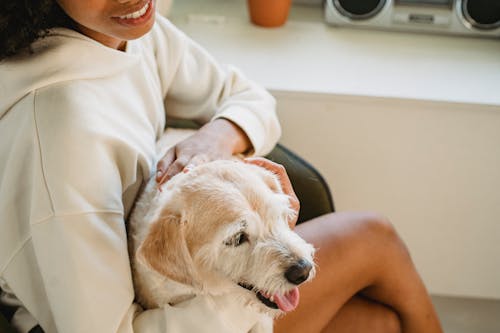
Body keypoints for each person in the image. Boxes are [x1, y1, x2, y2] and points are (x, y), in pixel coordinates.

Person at [0, 1, 443, 332]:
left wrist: (218, 138)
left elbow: (247, 96)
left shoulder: (127, 33)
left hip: (175, 288)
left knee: (379, 323)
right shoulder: (59, 132)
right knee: (372, 236)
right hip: (136, 317)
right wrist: (247, 297)